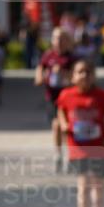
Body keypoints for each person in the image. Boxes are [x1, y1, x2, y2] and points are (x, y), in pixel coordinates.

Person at [57, 59, 104, 207]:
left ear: (93, 76)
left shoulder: (101, 96)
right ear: (73, 76)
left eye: (88, 72)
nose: (84, 75)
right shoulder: (67, 94)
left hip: (98, 147)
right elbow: (60, 109)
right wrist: (63, 123)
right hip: (77, 147)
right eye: (80, 72)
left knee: (98, 183)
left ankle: (98, 202)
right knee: (83, 185)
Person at [35, 27, 75, 172]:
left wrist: (64, 73)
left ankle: (70, 154)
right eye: (55, 38)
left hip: (68, 98)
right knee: (56, 125)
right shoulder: (48, 55)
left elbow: (76, 78)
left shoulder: (71, 58)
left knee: (66, 127)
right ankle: (58, 154)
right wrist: (40, 77)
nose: (58, 41)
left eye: (61, 38)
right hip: (52, 97)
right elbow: (40, 68)